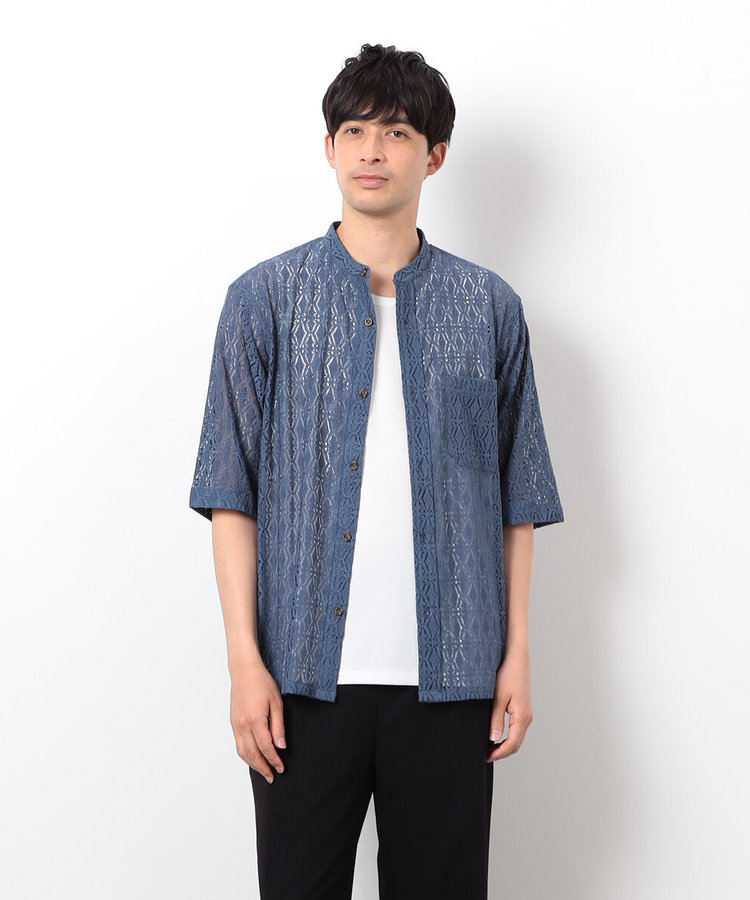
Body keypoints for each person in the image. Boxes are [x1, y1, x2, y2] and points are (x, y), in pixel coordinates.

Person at [188, 42, 564, 900]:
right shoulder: (263, 301)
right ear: (328, 148)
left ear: (435, 155)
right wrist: (245, 663)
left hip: (454, 679)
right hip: (300, 682)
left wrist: (516, 656)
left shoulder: (489, 308)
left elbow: (518, 498)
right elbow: (230, 494)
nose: (372, 150)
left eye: (396, 132)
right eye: (354, 131)